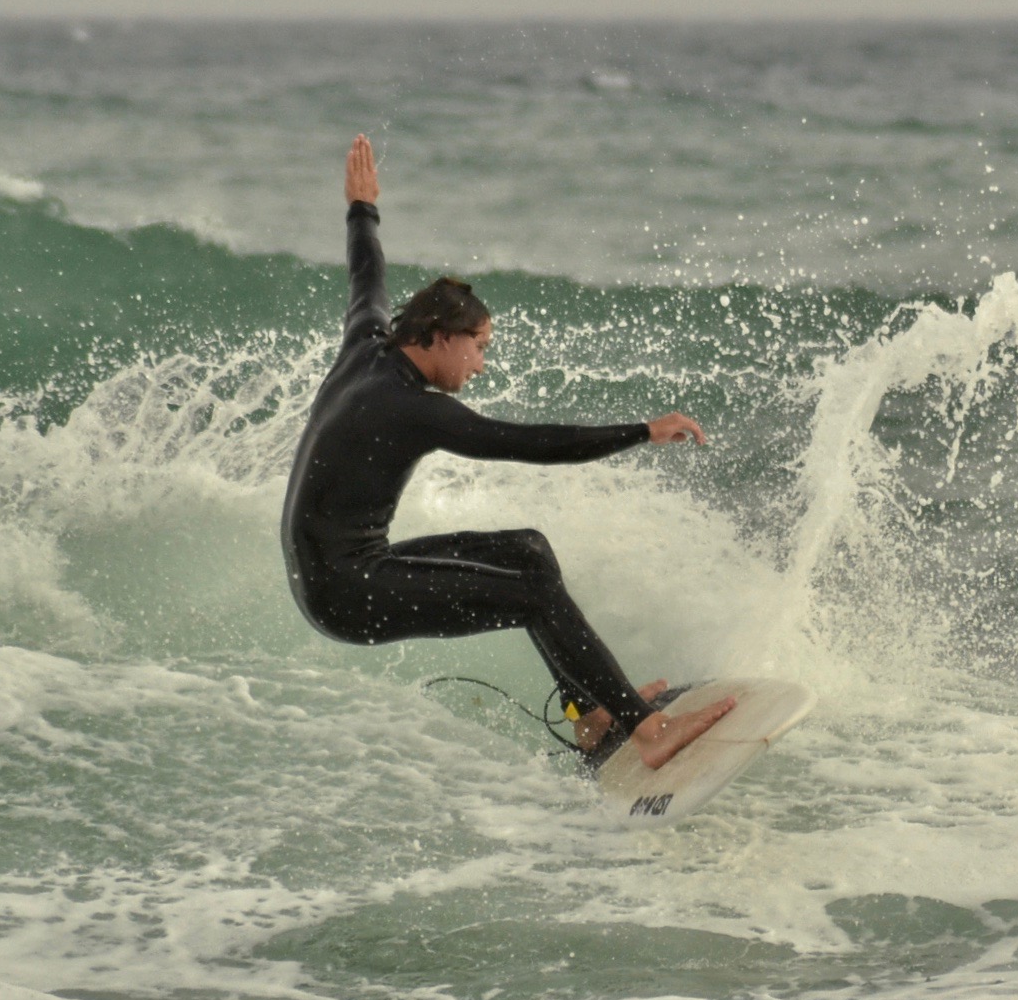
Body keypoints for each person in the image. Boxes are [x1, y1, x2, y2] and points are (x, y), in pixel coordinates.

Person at [280, 135, 734, 769]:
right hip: (346, 593)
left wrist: (363, 209)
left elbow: (367, 275)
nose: (482, 365)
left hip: (341, 571)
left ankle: (593, 714)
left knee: (527, 551)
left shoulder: (369, 343)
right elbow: (531, 444)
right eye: (479, 346)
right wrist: (643, 431)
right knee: (530, 594)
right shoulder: (413, 409)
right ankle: (648, 730)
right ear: (439, 337)